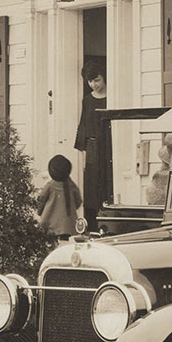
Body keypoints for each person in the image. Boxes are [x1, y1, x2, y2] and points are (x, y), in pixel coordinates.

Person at [73, 59, 106, 228]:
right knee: (92, 186)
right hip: (92, 147)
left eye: (97, 80)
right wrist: (84, 151)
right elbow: (83, 124)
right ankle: (92, 225)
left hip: (109, 145)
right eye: (90, 81)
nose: (94, 84)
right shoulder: (87, 100)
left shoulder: (112, 97)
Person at [37, 154, 83, 240]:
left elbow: (40, 201)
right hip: (69, 226)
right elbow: (78, 201)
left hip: (50, 225)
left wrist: (39, 212)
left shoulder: (49, 186)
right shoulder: (72, 186)